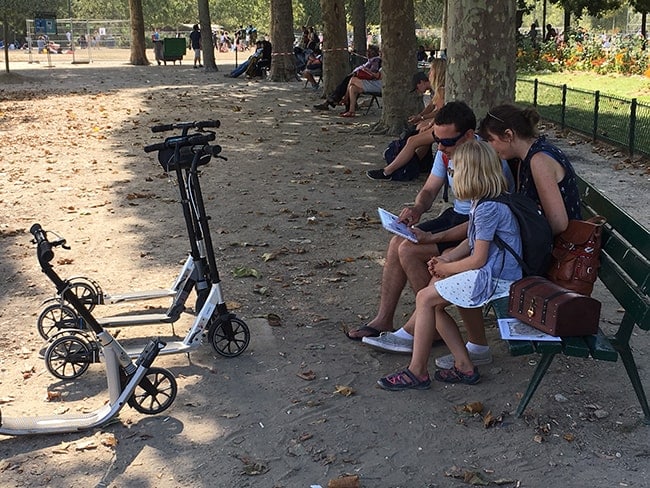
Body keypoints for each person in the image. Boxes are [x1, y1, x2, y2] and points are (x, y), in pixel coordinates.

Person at [348, 102, 513, 350]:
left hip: (475, 226)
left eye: (446, 141)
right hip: (458, 217)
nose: (440, 146)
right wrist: (417, 209)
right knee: (397, 241)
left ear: (468, 135)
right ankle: (385, 319)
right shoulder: (447, 150)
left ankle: (423, 325)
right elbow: (429, 189)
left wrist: (434, 240)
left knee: (409, 249)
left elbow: (485, 219)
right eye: (436, 139)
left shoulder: (484, 159)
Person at [377, 140, 523, 390]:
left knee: (425, 299)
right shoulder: (485, 200)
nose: (452, 178)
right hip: (490, 271)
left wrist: (447, 269)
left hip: (497, 279)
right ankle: (464, 366)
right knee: (429, 300)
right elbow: (472, 240)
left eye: (455, 172)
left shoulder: (489, 207)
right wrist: (448, 258)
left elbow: (478, 259)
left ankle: (417, 372)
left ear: (471, 174)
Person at [366, 59, 446, 180]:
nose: (429, 73)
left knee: (412, 141)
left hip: (444, 127)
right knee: (418, 135)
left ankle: (389, 171)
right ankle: (412, 164)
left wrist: (428, 123)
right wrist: (423, 118)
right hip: (444, 125)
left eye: (431, 70)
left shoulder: (441, 90)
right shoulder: (442, 89)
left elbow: (441, 112)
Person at [313, 45, 381, 111]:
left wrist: (363, 71)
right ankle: (334, 100)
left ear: (374, 52)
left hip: (366, 80)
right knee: (346, 82)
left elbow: (372, 72)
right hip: (358, 77)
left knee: (347, 82)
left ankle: (334, 100)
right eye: (367, 51)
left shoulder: (375, 60)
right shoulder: (370, 60)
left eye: (369, 51)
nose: (367, 53)